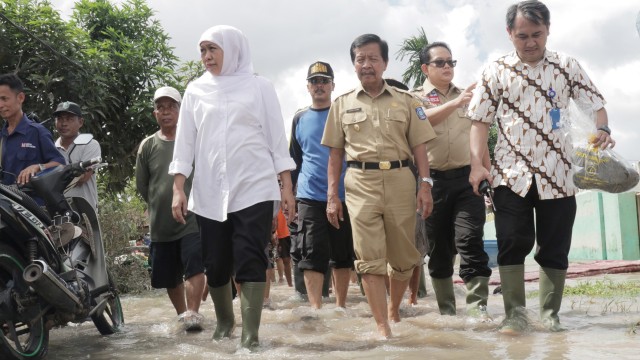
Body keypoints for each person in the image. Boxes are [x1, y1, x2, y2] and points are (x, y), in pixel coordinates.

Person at [467, 0, 615, 334]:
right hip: (510, 174)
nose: (530, 42)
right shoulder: (495, 71)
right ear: (509, 34)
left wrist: (602, 130)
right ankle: (515, 315)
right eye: (522, 36)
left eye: (537, 34)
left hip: (560, 174)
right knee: (511, 240)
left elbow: (597, 105)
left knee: (554, 244)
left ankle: (550, 315)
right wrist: (477, 165)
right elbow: (478, 122)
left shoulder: (567, 66)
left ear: (548, 30)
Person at [169, 25, 296, 349]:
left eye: (213, 49)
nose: (207, 56)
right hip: (211, 192)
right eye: (202, 50)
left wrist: (286, 187)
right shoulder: (196, 91)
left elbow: (276, 140)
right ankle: (225, 321)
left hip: (253, 186)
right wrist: (178, 188)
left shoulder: (259, 87)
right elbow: (185, 144)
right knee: (215, 263)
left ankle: (250, 336)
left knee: (251, 257)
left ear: (233, 49)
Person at [321, 34, 437, 338]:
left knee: (403, 257)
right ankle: (382, 326)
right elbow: (334, 155)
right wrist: (332, 196)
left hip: (401, 180)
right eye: (361, 59)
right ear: (354, 64)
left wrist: (425, 185)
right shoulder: (341, 104)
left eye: (373, 58)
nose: (367, 64)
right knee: (369, 257)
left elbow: (420, 148)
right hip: (359, 183)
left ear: (384, 63)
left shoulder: (408, 102)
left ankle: (394, 309)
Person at [411, 42, 492, 318]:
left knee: (470, 240)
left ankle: (478, 310)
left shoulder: (469, 96)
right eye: (440, 63)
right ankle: (448, 314)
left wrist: (486, 172)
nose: (448, 67)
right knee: (440, 250)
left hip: (467, 179)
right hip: (431, 183)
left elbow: (480, 138)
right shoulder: (414, 98)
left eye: (451, 62)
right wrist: (456, 103)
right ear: (425, 68)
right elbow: (420, 122)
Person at [135, 86, 206, 331]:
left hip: (192, 219)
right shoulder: (147, 146)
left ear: (181, 109)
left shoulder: (194, 141)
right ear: (155, 113)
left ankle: (194, 314)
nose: (166, 112)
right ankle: (182, 315)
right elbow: (143, 186)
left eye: (171, 107)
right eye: (160, 108)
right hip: (161, 223)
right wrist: (159, 202)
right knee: (169, 276)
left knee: (194, 266)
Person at [289, 61, 355, 310]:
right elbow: (295, 159)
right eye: (315, 81)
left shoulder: (344, 115)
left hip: (344, 194)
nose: (319, 85)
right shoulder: (299, 118)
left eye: (324, 81)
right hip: (309, 196)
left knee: (342, 254)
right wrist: (289, 196)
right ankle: (316, 309)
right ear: (308, 86)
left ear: (333, 85)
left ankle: (341, 306)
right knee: (310, 253)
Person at [0, 73, 64, 190]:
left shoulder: (37, 132)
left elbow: (60, 164)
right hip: (6, 205)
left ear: (20, 98)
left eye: (4, 99)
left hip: (34, 205)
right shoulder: (1, 137)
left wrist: (39, 167)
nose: (0, 105)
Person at [54, 101, 101, 209]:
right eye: (60, 119)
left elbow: (82, 178)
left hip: (85, 213)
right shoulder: (51, 148)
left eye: (70, 119)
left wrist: (53, 175)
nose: (64, 123)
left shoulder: (90, 144)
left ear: (80, 122)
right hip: (57, 213)